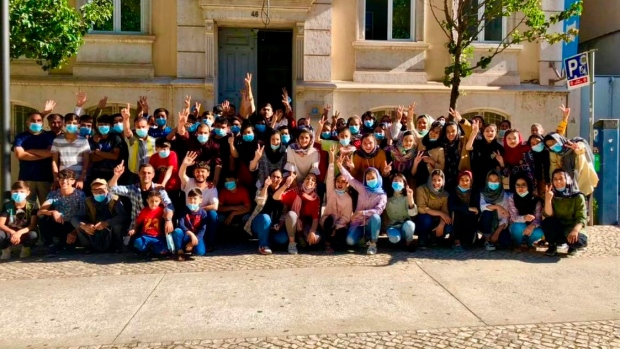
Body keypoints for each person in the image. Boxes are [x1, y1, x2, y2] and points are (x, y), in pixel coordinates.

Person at [108, 162, 175, 244]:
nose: (146, 175)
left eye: (149, 173)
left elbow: (169, 205)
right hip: (138, 224)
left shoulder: (159, 189)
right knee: (135, 245)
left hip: (157, 225)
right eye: (143, 173)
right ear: (139, 174)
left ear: (153, 175)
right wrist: (116, 175)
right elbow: (111, 189)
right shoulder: (132, 189)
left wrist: (168, 220)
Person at [336, 160, 387, 255]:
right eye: (368, 178)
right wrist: (340, 166)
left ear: (378, 178)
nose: (370, 180)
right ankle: (363, 240)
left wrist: (362, 213)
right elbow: (350, 179)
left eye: (372, 178)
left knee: (376, 217)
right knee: (350, 241)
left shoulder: (382, 195)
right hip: (358, 222)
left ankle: (373, 244)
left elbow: (378, 210)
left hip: (370, 224)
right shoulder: (363, 189)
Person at [71, 179, 128, 253]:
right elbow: (75, 218)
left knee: (118, 225)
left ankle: (117, 246)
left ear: (107, 189)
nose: (98, 192)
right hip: (94, 230)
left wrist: (106, 223)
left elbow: (123, 216)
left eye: (101, 189)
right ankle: (88, 247)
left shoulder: (114, 200)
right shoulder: (87, 201)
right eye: (94, 190)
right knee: (79, 225)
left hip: (110, 230)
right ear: (91, 191)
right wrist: (84, 226)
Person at [38, 169, 86, 256]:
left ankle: (63, 243)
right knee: (42, 218)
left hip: (73, 226)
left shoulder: (80, 195)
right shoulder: (54, 194)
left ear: (73, 181)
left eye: (67, 179)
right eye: (61, 179)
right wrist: (53, 212)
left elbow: (85, 215)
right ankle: (50, 245)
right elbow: (40, 211)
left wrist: (74, 232)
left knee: (68, 249)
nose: (64, 181)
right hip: (59, 222)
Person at [542, 169, 588, 256]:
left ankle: (572, 247)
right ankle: (552, 245)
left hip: (572, 227)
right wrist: (548, 200)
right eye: (555, 179)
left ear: (567, 180)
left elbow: (581, 217)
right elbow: (548, 215)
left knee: (579, 241)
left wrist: (575, 230)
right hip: (558, 228)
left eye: (561, 178)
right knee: (547, 222)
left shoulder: (577, 196)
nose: (558, 182)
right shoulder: (552, 194)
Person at [273, 172, 322, 254]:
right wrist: (286, 185)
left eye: (313, 180)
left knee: (316, 239)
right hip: (290, 223)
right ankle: (292, 243)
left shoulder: (315, 198)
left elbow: (315, 218)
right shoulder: (295, 191)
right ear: (304, 180)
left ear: (315, 185)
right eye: (308, 178)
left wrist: (312, 231)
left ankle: (300, 237)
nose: (309, 181)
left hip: (304, 225)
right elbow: (275, 197)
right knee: (280, 239)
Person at [12, 111, 55, 204]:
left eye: (39, 120)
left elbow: (51, 153)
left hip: (46, 178)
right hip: (26, 177)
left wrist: (30, 150)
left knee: (46, 207)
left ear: (42, 122)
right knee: (27, 206)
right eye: (33, 120)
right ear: (27, 122)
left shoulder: (49, 136)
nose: (36, 122)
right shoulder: (21, 137)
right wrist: (43, 155)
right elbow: (20, 155)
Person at [179, 152, 219, 251]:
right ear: (194, 173)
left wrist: (198, 210)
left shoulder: (212, 187)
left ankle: (210, 243)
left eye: (202, 171)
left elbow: (215, 206)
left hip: (202, 215)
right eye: (197, 171)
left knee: (213, 215)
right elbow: (181, 174)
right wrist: (184, 164)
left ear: (208, 174)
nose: (200, 174)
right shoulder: (189, 182)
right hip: (188, 215)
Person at [244, 169, 289, 255]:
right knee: (265, 218)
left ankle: (266, 239)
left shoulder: (283, 193)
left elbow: (284, 213)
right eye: (273, 176)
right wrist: (265, 186)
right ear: (269, 177)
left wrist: (280, 224)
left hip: (274, 226)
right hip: (260, 223)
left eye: (278, 177)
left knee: (283, 238)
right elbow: (260, 201)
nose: (275, 179)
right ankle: (263, 245)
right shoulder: (261, 189)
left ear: (282, 179)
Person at [320, 146, 353, 252]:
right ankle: (327, 243)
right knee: (330, 220)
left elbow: (346, 217)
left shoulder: (348, 199)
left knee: (341, 242)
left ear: (347, 184)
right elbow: (330, 176)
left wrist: (337, 227)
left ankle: (335, 241)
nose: (340, 183)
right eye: (338, 181)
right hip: (327, 221)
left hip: (340, 225)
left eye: (343, 181)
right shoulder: (331, 191)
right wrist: (332, 159)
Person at [544, 132, 599, 196]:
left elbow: (581, 148)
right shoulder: (553, 153)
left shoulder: (573, 143)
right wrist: (552, 183)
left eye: (553, 142)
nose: (552, 146)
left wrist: (577, 148)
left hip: (582, 181)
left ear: (559, 139)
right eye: (549, 145)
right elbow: (553, 168)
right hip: (566, 185)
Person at [51, 113, 92, 190]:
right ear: (64, 124)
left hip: (79, 179)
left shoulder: (83, 141)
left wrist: (81, 177)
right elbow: (54, 161)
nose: (72, 125)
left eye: (74, 123)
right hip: (63, 179)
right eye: (69, 123)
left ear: (78, 125)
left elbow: (86, 160)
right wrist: (56, 178)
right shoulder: (57, 140)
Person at [0, 181, 39, 260]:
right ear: (11, 192)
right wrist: (13, 232)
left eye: (21, 191)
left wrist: (19, 233)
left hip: (24, 232)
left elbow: (32, 225)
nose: (18, 194)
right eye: (16, 191)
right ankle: (5, 249)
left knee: (33, 235)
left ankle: (26, 248)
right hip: (9, 233)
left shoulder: (33, 205)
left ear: (28, 193)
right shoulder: (8, 205)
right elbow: (1, 224)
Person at [415, 169, 451, 248]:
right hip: (424, 219)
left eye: (439, 180)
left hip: (437, 220)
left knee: (448, 226)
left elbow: (445, 212)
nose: (436, 183)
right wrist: (440, 213)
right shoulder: (421, 189)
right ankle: (423, 237)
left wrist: (441, 224)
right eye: (434, 180)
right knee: (426, 219)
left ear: (443, 181)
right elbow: (421, 208)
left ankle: (434, 237)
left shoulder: (445, 194)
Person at [121, 106, 157, 182]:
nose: (141, 129)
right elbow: (127, 131)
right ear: (135, 127)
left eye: (143, 127)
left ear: (148, 127)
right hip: (134, 175)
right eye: (138, 127)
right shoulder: (132, 140)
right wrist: (126, 119)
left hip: (149, 175)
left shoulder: (154, 141)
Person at [172, 188, 210, 259]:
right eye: (190, 198)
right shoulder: (184, 210)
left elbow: (203, 229)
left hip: (197, 236)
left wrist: (194, 241)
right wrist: (191, 234)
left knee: (200, 252)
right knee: (177, 231)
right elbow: (181, 225)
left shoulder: (203, 213)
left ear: (200, 200)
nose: (192, 201)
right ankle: (179, 249)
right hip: (186, 235)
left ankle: (191, 248)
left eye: (195, 198)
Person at [507, 176, 544, 248]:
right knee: (519, 226)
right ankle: (517, 244)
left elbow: (538, 218)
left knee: (539, 231)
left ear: (528, 186)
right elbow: (514, 217)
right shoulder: (512, 198)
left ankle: (529, 244)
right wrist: (524, 218)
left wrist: (532, 226)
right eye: (518, 185)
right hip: (516, 228)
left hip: (531, 228)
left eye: (523, 185)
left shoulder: (535, 200)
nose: (520, 188)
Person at [129, 190, 169, 256]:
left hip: (157, 236)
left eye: (156, 201)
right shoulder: (144, 211)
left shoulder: (161, 210)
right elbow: (138, 221)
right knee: (137, 243)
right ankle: (146, 249)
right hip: (145, 235)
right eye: (151, 201)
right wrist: (134, 229)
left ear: (160, 201)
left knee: (162, 251)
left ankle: (153, 250)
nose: (154, 203)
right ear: (147, 201)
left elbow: (167, 217)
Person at [466, 122, 505, 189]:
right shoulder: (478, 143)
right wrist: (474, 133)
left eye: (492, 131)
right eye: (487, 131)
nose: (490, 133)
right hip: (477, 179)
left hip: (492, 181)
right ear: (483, 133)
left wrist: (501, 162)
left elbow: (503, 168)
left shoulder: (499, 148)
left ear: (496, 133)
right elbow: (468, 147)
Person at [479, 170, 510, 251]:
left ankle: (494, 238)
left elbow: (505, 217)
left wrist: (497, 233)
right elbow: (482, 207)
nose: (493, 183)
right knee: (487, 212)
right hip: (484, 224)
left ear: (500, 182)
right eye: (491, 180)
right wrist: (498, 207)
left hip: (498, 225)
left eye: (496, 180)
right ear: (487, 181)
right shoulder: (483, 193)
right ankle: (487, 240)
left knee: (505, 243)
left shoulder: (505, 196)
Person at [441, 109, 472, 189]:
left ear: (458, 131)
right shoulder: (443, 144)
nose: (450, 134)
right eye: (448, 131)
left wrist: (461, 120)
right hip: (446, 178)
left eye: (453, 131)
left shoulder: (462, 140)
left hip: (461, 177)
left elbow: (470, 131)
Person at [448, 171, 480, 251]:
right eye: (462, 180)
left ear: (471, 182)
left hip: (469, 220)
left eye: (467, 180)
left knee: (469, 241)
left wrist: (466, 210)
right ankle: (456, 241)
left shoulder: (474, 192)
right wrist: (467, 208)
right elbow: (452, 206)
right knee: (457, 213)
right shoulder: (453, 191)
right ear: (458, 180)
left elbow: (476, 210)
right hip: (457, 221)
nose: (464, 182)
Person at [384, 173, 417, 251]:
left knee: (410, 225)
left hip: (405, 225)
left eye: (400, 181)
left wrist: (410, 197)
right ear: (391, 183)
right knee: (394, 239)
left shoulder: (406, 197)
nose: (397, 183)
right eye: (395, 180)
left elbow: (413, 213)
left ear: (404, 184)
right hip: (392, 226)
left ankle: (409, 243)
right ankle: (396, 241)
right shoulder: (386, 198)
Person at [90, 114, 123, 182]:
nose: (103, 126)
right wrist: (109, 154)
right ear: (97, 126)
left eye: (105, 124)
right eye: (101, 124)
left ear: (110, 125)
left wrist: (98, 153)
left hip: (112, 173)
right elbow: (92, 158)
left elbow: (115, 156)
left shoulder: (116, 138)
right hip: (96, 173)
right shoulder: (93, 139)